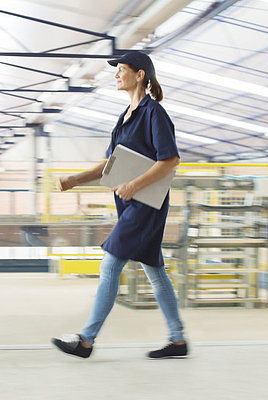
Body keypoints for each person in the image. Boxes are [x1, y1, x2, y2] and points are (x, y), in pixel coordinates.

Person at [51, 51, 187, 359]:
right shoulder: (124, 118)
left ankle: (86, 340)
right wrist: (75, 179)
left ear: (140, 75)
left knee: (110, 263)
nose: (116, 75)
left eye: (121, 70)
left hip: (146, 205)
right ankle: (178, 340)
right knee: (155, 271)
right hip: (130, 204)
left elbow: (170, 159)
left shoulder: (154, 113)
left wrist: (135, 185)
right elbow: (110, 164)